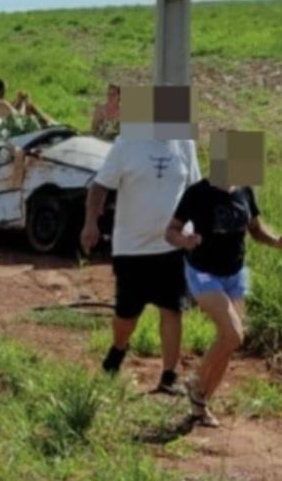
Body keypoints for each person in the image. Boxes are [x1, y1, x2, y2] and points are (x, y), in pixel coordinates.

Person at [81, 137, 201, 395]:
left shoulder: (185, 144)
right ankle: (119, 348)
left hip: (173, 245)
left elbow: (195, 190)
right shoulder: (127, 143)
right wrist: (91, 223)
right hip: (132, 247)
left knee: (172, 309)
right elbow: (99, 186)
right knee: (127, 315)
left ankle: (169, 375)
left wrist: (199, 232)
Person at [165, 179, 282, 426]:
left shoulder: (245, 190)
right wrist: (184, 241)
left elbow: (255, 228)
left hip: (235, 274)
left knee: (227, 340)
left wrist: (276, 241)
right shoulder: (197, 193)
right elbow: (171, 231)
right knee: (233, 334)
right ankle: (196, 383)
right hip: (203, 272)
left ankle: (200, 405)